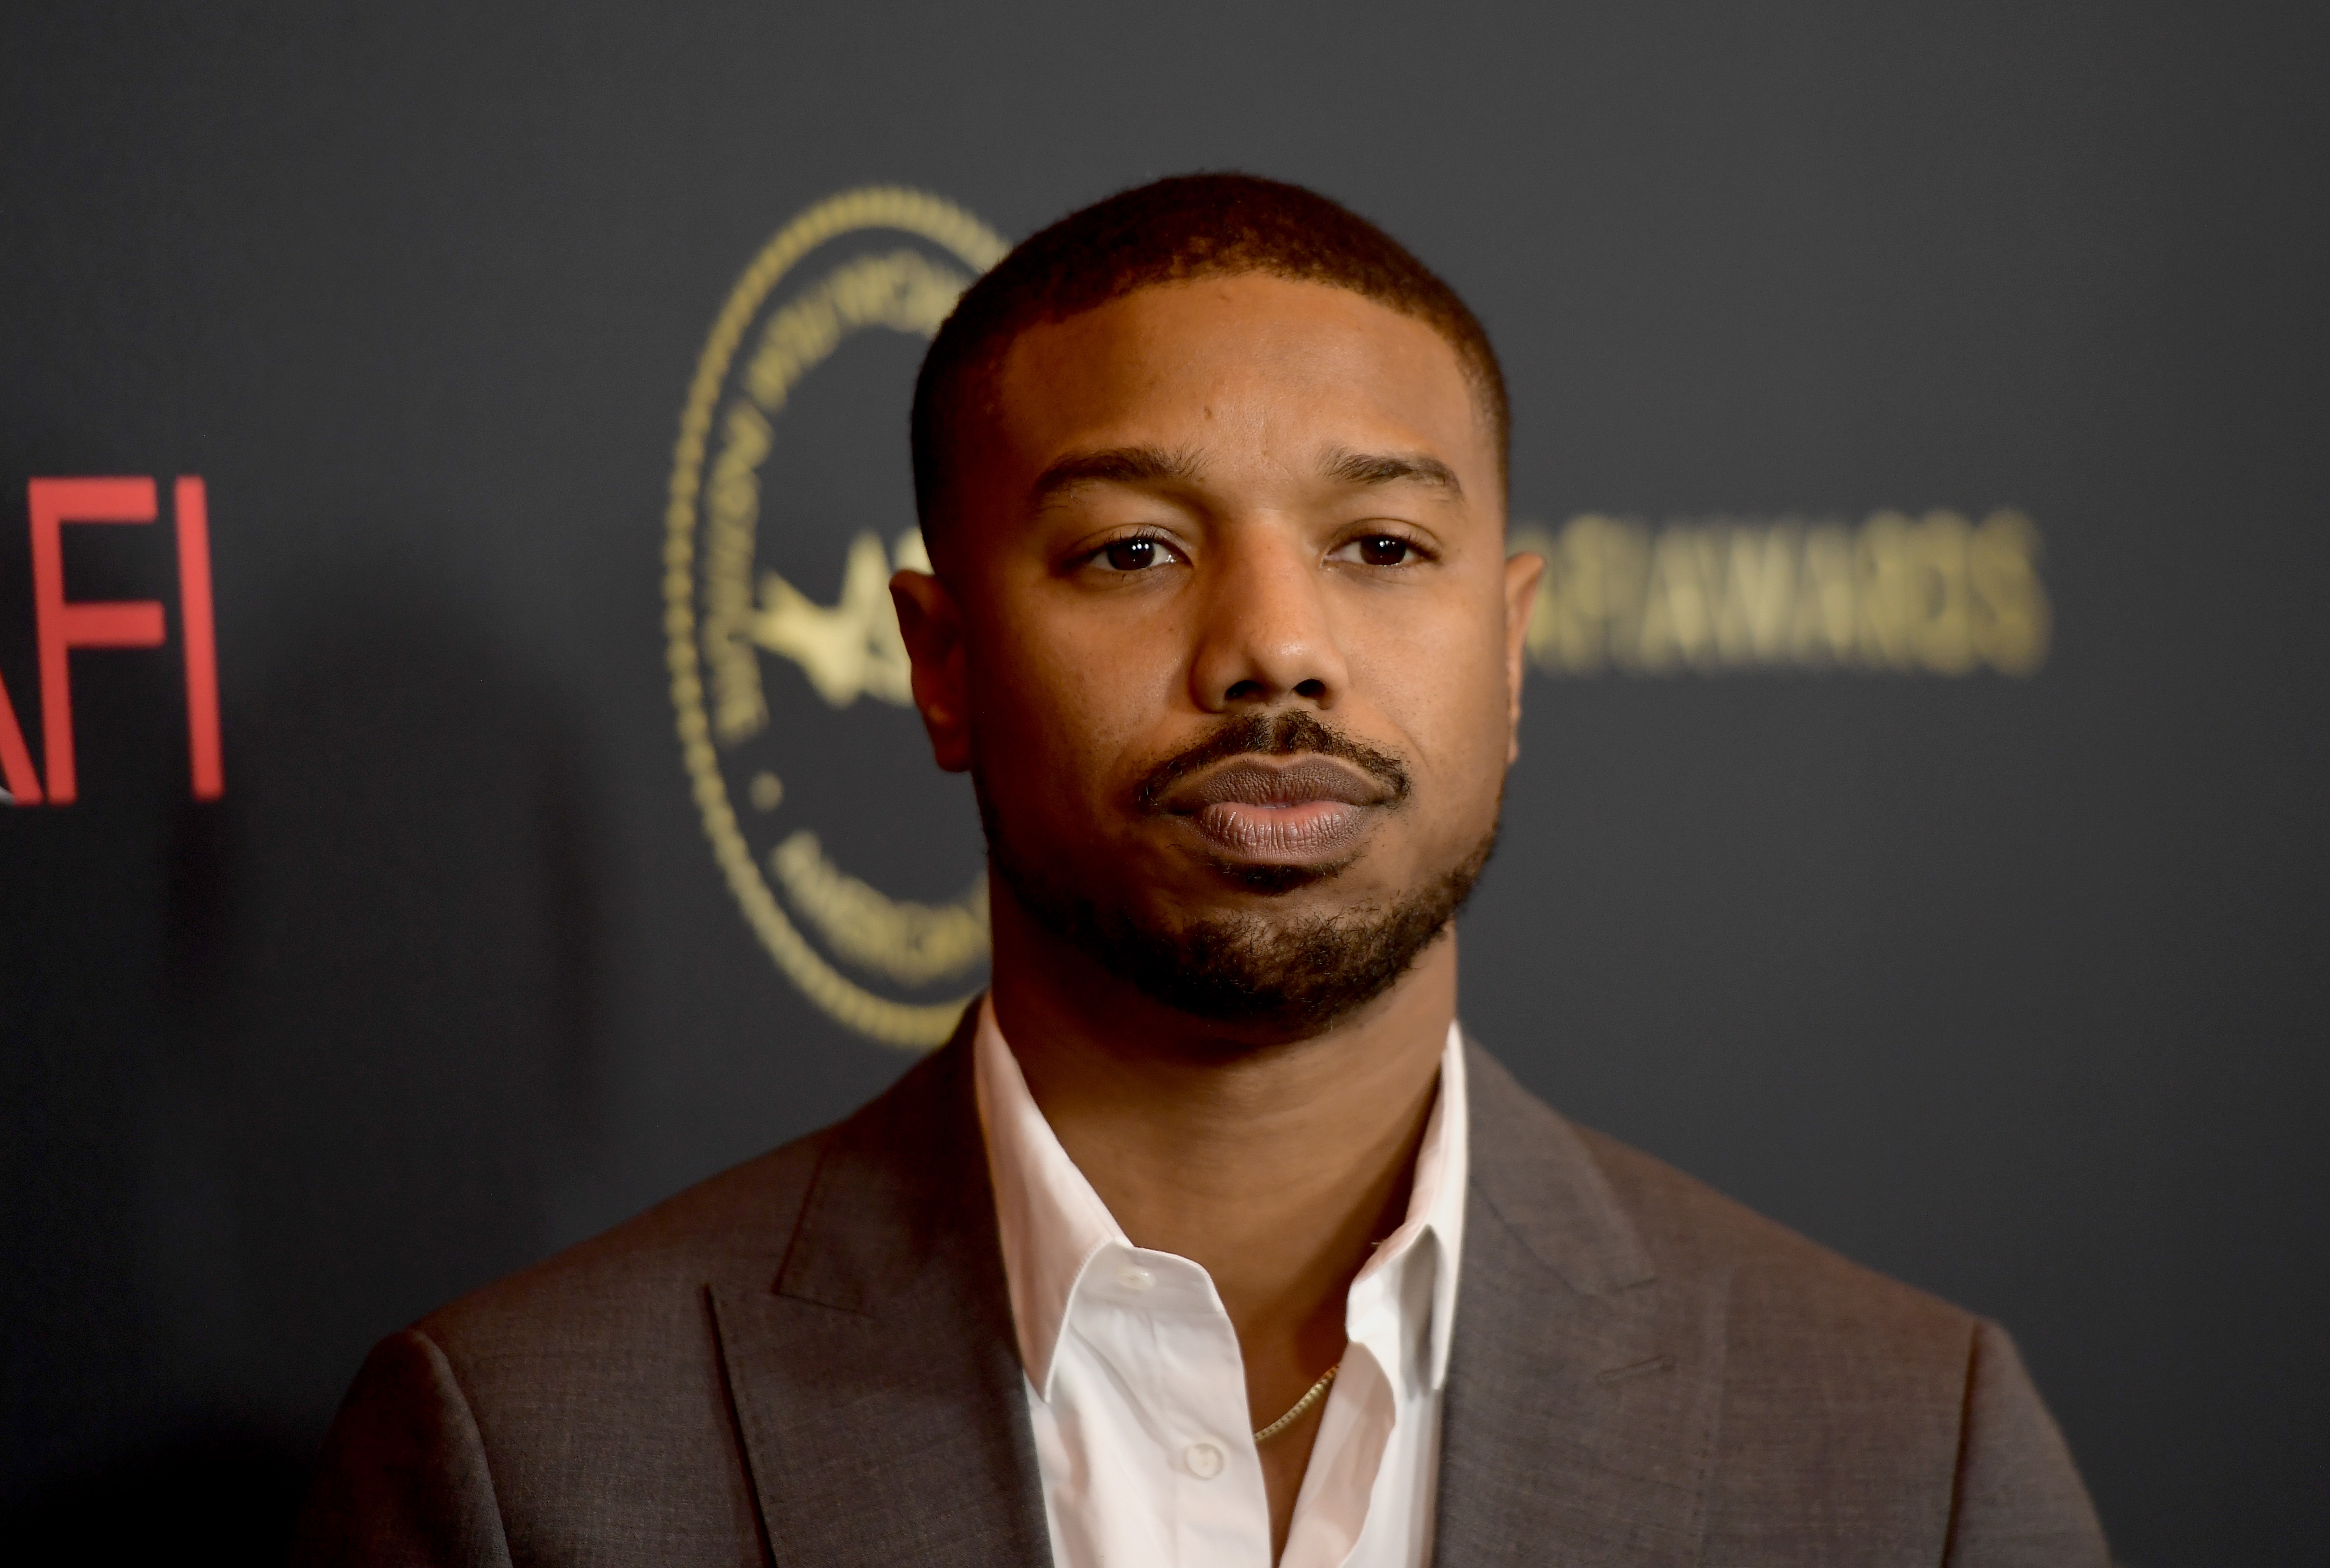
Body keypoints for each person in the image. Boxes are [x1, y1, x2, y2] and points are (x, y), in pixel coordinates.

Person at [293, 174, 2108, 1567]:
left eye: (1383, 542)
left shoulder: (1905, 1448)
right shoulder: (529, 1460)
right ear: (938, 660)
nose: (1276, 649)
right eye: (1136, 547)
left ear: (1514, 646)